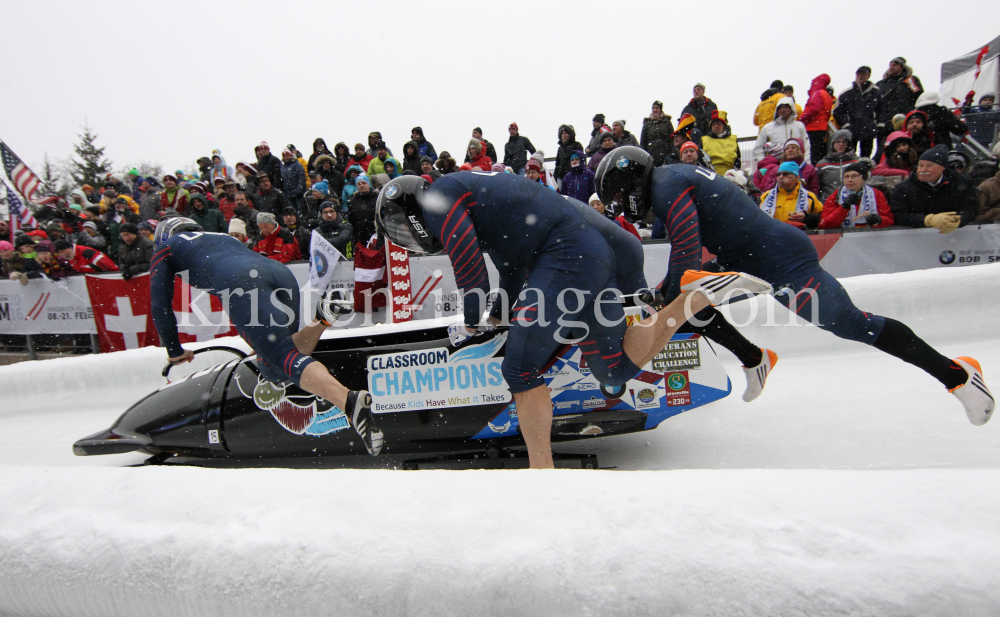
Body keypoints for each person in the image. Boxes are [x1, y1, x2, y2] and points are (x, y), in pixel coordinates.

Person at [375, 173, 761, 468]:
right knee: (613, 370)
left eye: (401, 228)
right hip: (588, 255)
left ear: (410, 208)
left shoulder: (440, 196)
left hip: (565, 256)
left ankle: (542, 474)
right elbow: (508, 267)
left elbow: (470, 268)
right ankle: (692, 299)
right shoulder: (473, 195)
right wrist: (495, 314)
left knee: (521, 369)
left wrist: (473, 320)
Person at [596, 146, 995, 427]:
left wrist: (664, 296)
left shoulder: (666, 183)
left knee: (850, 323)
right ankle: (755, 358)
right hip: (747, 256)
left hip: (779, 258)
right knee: (687, 309)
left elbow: (685, 249)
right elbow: (686, 260)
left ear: (631, 176)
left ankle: (957, 374)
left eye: (616, 193)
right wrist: (664, 293)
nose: (618, 203)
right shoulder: (670, 178)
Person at [149, 217, 382, 453]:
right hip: (278, 272)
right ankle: (321, 320)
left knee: (280, 358)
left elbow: (160, 305)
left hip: (241, 280)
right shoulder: (220, 236)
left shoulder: (168, 247)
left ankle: (349, 402)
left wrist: (174, 350)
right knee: (280, 363)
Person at [890, 145, 978, 231]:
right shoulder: (903, 188)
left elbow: (970, 208)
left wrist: (959, 220)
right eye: (920, 165)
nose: (923, 170)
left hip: (955, 236)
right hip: (916, 239)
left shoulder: (962, 182)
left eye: (929, 166)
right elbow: (899, 215)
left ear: (943, 167)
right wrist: (927, 220)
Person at [875, 57, 924, 164]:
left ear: (901, 67)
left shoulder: (910, 81)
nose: (891, 67)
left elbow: (920, 98)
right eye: (890, 64)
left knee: (905, 149)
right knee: (883, 151)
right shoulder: (881, 84)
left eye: (895, 64)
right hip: (885, 123)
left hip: (905, 123)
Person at [819, 160, 893, 229]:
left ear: (863, 178)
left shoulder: (876, 194)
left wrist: (879, 220)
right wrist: (843, 209)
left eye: (854, 176)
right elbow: (824, 224)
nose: (850, 179)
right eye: (846, 176)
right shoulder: (835, 197)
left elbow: (890, 220)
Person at [758, 161, 823, 228]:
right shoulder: (766, 197)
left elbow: (822, 219)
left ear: (796, 177)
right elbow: (757, 218)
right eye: (778, 174)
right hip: (773, 236)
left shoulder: (810, 197)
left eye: (785, 174)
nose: (781, 177)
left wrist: (806, 218)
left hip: (799, 236)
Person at [833, 67, 880, 158]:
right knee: (848, 155)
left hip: (868, 131)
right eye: (858, 74)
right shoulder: (846, 93)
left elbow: (882, 110)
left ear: (869, 76)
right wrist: (846, 125)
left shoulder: (876, 92)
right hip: (851, 131)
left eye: (863, 74)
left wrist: (878, 125)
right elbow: (838, 111)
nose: (860, 76)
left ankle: (864, 171)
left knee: (866, 157)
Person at [753, 97, 812, 163]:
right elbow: (758, 147)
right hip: (776, 166)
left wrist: (806, 163)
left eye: (785, 107)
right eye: (780, 108)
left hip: (797, 165)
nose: (782, 110)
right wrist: (763, 163)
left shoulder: (799, 126)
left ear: (791, 109)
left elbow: (806, 146)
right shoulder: (768, 127)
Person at [815, 129, 860, 200]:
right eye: (838, 142)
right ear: (833, 144)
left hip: (854, 201)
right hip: (829, 201)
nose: (841, 144)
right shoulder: (822, 164)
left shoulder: (858, 161)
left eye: (844, 141)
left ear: (849, 144)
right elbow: (816, 185)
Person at [799, 74, 834, 164]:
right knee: (818, 152)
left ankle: (813, 171)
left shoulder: (817, 93)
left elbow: (813, 109)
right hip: (822, 127)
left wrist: (801, 120)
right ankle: (818, 169)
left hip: (813, 127)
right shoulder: (826, 95)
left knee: (811, 153)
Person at [701, 111, 740, 175]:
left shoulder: (733, 139)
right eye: (713, 124)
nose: (716, 126)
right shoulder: (704, 140)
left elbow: (737, 161)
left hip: (729, 174)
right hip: (709, 174)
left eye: (718, 123)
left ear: (724, 125)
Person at [640, 101, 676, 167]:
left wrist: (672, 154)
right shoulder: (647, 124)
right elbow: (643, 141)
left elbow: (672, 139)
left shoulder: (667, 122)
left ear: (660, 109)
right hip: (651, 156)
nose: (654, 110)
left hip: (665, 156)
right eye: (653, 108)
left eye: (657, 108)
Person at [348, 174, 378, 245]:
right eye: (359, 184)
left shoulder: (377, 198)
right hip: (359, 237)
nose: (362, 185)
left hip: (375, 235)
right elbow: (351, 220)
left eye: (364, 183)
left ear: (368, 184)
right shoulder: (353, 201)